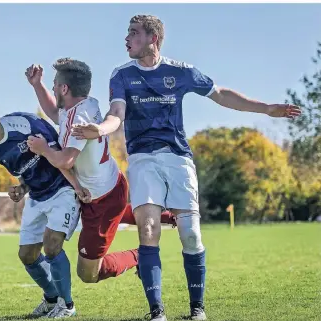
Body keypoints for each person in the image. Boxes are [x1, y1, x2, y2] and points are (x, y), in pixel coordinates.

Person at [71, 14, 302, 321]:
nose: (126, 39)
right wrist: (100, 130)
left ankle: (197, 310)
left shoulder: (180, 72)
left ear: (153, 39)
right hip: (142, 159)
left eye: (134, 33)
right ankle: (157, 312)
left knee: (190, 234)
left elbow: (220, 94)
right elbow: (117, 113)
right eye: (128, 33)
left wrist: (266, 109)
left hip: (178, 158)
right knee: (149, 228)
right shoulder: (121, 74)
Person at [25, 58, 175, 285]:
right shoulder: (84, 104)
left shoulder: (79, 119)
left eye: (55, 84)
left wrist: (43, 149)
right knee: (116, 213)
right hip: (106, 188)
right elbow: (55, 114)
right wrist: (38, 84)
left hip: (102, 201)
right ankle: (167, 216)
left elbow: (66, 160)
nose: (53, 87)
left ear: (65, 89)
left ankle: (140, 256)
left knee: (88, 274)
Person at [0, 104, 91, 318]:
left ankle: (67, 305)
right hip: (36, 196)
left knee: (52, 245)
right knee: (27, 255)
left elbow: (59, 154)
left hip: (62, 188)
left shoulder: (23, 124)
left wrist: (77, 187)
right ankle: (51, 299)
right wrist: (21, 189)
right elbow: (25, 174)